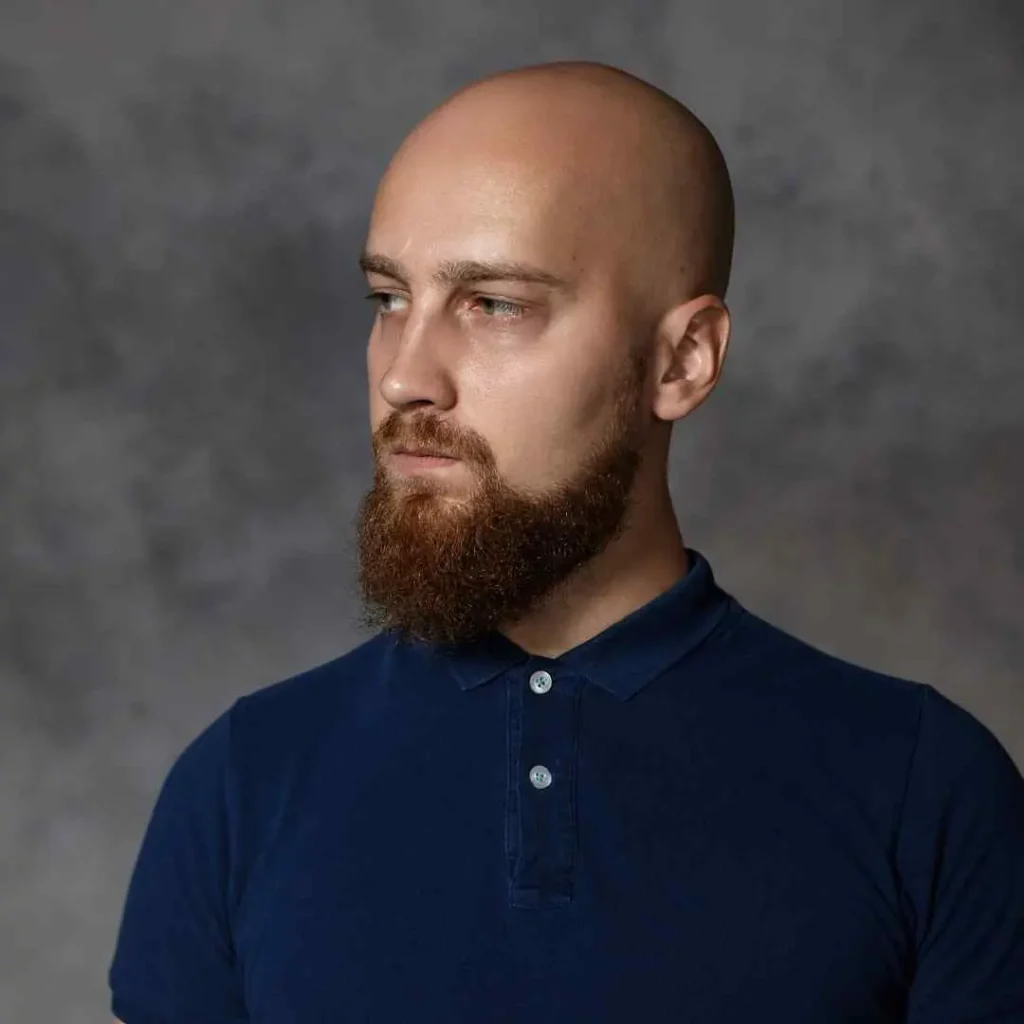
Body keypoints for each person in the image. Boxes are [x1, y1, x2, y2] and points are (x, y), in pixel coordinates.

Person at [108, 62, 1024, 1023]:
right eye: (389, 300)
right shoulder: (241, 784)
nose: (404, 378)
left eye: (494, 304)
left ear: (683, 360)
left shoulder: (927, 793)